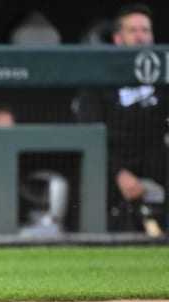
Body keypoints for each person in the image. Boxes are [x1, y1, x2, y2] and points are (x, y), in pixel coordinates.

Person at [74, 3, 168, 234]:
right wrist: (119, 173)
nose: (140, 37)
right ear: (118, 38)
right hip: (113, 162)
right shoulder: (99, 80)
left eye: (145, 30)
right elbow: (89, 136)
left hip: (157, 159)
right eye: (133, 30)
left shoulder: (164, 76)